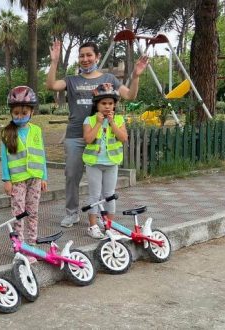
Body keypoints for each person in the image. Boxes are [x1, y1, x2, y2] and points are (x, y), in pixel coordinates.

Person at [46, 40, 147, 228]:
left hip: (101, 138)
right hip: (76, 135)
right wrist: (54, 62)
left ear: (97, 56)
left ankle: (101, 215)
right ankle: (72, 213)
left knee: (101, 182)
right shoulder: (71, 80)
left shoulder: (109, 79)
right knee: (72, 175)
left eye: (89, 55)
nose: (85, 59)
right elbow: (51, 85)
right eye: (82, 55)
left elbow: (130, 96)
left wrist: (135, 77)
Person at [0, 86, 48, 263]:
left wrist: (44, 176)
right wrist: (7, 180)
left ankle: (32, 246)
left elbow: (42, 153)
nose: (19, 116)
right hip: (17, 180)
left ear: (31, 112)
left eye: (23, 112)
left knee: (33, 212)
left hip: (35, 178)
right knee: (18, 214)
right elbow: (4, 158)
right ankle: (19, 247)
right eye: (16, 113)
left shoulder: (36, 130)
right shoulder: (7, 132)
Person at [82, 83, 128, 239]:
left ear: (114, 105)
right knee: (94, 195)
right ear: (97, 105)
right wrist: (100, 123)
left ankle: (109, 224)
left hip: (111, 163)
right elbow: (88, 139)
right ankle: (93, 226)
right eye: (103, 103)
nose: (107, 106)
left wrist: (112, 122)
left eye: (110, 103)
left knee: (109, 194)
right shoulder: (89, 120)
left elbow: (123, 138)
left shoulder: (119, 119)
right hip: (94, 163)